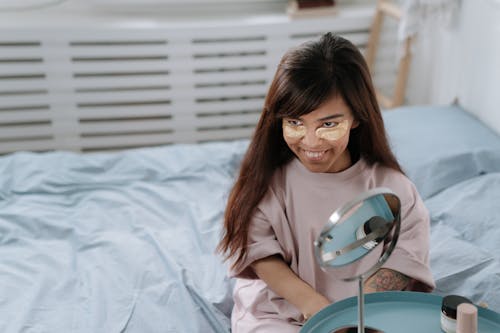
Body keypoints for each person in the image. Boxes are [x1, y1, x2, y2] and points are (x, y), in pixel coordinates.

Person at [217, 33, 435, 332]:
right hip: (280, 311)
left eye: (328, 124)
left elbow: (401, 262)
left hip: (363, 315)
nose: (310, 142)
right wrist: (316, 307)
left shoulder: (394, 189)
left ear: (357, 117)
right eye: (294, 123)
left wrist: (353, 319)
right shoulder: (268, 183)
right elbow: (260, 255)